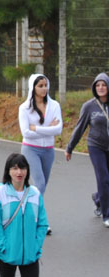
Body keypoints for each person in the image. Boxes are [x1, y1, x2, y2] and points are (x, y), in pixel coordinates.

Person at [0, 153, 48, 277]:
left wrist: (35, 246)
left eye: (22, 168)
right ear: (8, 171)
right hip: (6, 255)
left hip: (30, 255)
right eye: (15, 168)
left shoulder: (35, 193)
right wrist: (3, 247)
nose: (19, 172)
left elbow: (42, 224)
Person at [65, 72, 109, 228]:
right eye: (98, 85)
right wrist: (70, 148)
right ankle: (106, 215)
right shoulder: (89, 106)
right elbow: (79, 128)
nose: (101, 88)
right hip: (96, 146)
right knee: (103, 178)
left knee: (107, 181)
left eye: (104, 85)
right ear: (94, 88)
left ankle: (98, 198)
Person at [18, 73, 62, 204]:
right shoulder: (24, 108)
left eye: (46, 85)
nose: (44, 89)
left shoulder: (54, 105)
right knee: (40, 184)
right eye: (40, 86)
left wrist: (37, 128)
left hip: (48, 150)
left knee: (42, 187)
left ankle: (27, 208)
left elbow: (58, 130)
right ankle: (36, 217)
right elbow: (26, 133)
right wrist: (49, 129)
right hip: (30, 149)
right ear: (33, 88)